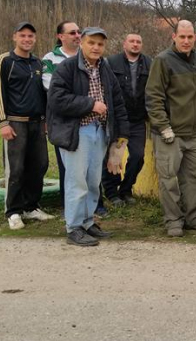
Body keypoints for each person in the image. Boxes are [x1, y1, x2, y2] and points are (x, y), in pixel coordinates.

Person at [47, 27, 130, 246]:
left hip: (100, 131)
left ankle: (87, 222)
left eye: (100, 44)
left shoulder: (105, 69)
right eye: (91, 43)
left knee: (93, 181)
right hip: (76, 132)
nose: (96, 48)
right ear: (81, 43)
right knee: (77, 181)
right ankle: (73, 227)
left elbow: (118, 102)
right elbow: (56, 100)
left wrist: (120, 136)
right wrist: (91, 104)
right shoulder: (67, 68)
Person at [146, 20, 196, 237]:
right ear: (174, 37)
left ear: (195, 37)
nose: (186, 41)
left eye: (190, 37)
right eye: (182, 37)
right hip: (169, 133)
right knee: (169, 179)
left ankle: (193, 218)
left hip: (192, 133)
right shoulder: (162, 61)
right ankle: (173, 221)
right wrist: (163, 127)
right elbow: (153, 96)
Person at [0, 21, 52, 230]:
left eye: (30, 36)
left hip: (37, 123)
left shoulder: (38, 63)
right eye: (23, 35)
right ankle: (13, 211)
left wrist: (45, 119)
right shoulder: (4, 61)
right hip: (15, 123)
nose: (27, 39)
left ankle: (31, 207)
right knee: (15, 169)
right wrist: (3, 122)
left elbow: (43, 93)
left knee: (40, 165)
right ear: (14, 37)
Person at [101, 33, 152, 207]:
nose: (135, 44)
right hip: (117, 119)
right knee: (114, 157)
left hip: (138, 119)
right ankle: (111, 192)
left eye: (139, 41)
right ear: (124, 44)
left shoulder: (149, 64)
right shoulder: (110, 63)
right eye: (132, 41)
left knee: (138, 156)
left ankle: (126, 189)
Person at [42, 20, 81, 207]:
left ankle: (94, 205)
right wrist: (80, 96)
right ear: (61, 36)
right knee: (67, 165)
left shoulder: (87, 54)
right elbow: (51, 88)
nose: (77, 36)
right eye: (72, 32)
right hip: (62, 120)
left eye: (78, 32)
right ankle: (69, 206)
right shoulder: (50, 59)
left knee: (89, 165)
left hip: (88, 119)